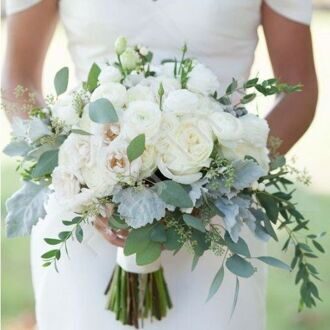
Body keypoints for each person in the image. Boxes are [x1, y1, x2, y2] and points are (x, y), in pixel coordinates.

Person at [2, 1, 318, 329]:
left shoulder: (219, 197)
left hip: (217, 225)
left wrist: (221, 181)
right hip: (84, 213)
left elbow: (299, 88)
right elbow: (18, 78)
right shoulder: (82, 190)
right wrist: (76, 171)